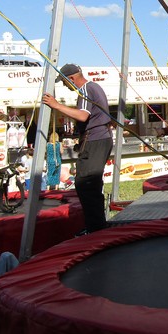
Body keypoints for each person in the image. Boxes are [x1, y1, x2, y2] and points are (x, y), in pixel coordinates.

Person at [43, 64, 113, 235]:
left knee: (86, 184)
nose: (66, 86)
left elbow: (83, 115)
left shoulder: (86, 89)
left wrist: (56, 105)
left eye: (65, 83)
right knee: (89, 184)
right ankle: (96, 226)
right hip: (99, 139)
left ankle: (96, 229)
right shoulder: (93, 87)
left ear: (71, 79)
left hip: (95, 140)